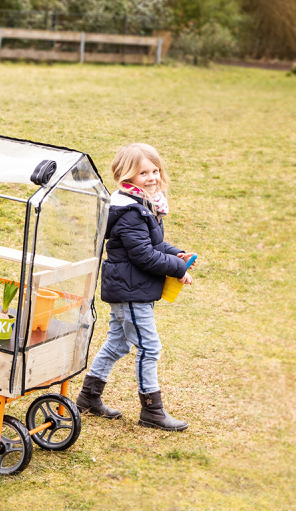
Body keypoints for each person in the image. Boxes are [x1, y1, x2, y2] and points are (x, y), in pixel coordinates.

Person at [76, 143, 196, 431]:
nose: (152, 177)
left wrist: (176, 253)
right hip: (130, 291)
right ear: (126, 177)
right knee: (149, 347)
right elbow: (143, 256)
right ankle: (152, 411)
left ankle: (88, 397)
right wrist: (177, 268)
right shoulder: (131, 211)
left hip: (130, 288)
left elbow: (153, 245)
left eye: (155, 170)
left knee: (118, 343)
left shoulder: (142, 204)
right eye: (144, 172)